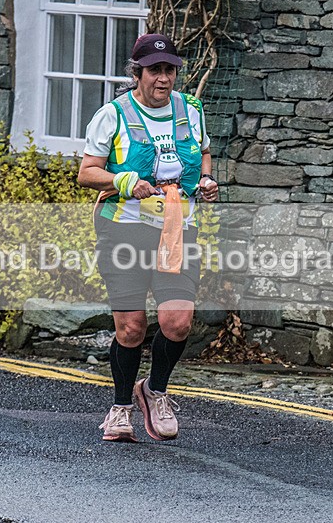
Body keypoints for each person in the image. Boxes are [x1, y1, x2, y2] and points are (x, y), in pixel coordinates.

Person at [77, 33, 218, 442]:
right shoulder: (113, 114)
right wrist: (125, 180)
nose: (164, 78)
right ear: (137, 73)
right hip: (124, 228)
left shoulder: (190, 109)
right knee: (131, 328)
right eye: (155, 70)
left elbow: (203, 152)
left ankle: (154, 391)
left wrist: (207, 180)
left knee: (177, 322)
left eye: (170, 70)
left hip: (178, 228)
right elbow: (87, 172)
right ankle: (121, 408)